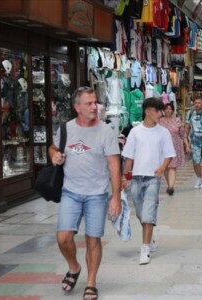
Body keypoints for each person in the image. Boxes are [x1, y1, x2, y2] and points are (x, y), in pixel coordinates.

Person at [49, 86, 121, 300]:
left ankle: (91, 282)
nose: (94, 107)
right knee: (63, 238)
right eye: (89, 103)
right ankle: (73, 267)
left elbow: (114, 166)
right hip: (70, 192)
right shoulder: (65, 128)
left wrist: (115, 196)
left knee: (93, 239)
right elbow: (53, 148)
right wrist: (55, 156)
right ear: (77, 107)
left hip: (97, 194)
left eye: (95, 102)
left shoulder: (106, 131)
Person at [122, 98, 176, 265]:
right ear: (147, 111)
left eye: (161, 110)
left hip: (153, 178)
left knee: (148, 213)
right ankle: (150, 238)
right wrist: (124, 176)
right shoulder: (135, 132)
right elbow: (129, 156)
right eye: (157, 110)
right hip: (137, 177)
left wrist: (161, 168)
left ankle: (145, 248)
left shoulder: (163, 132)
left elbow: (169, 155)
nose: (160, 114)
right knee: (140, 213)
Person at [158, 102, 188, 195]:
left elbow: (183, 135)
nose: (168, 110)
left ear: (172, 110)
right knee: (166, 167)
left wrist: (187, 146)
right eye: (166, 109)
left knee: (173, 167)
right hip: (162, 147)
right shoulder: (159, 121)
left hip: (175, 146)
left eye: (170, 109)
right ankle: (169, 184)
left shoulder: (177, 121)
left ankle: (171, 187)